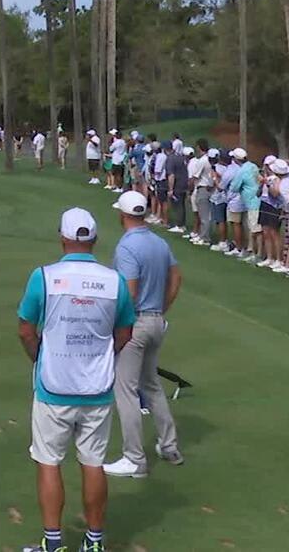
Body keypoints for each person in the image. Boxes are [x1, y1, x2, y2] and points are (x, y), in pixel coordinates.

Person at [18, 207, 134, 552]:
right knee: (93, 462)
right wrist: (102, 358)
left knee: (49, 461)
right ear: (94, 240)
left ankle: (53, 544)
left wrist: (39, 357)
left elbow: (26, 330)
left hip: (53, 387)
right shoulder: (114, 281)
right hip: (96, 389)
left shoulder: (44, 276)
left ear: (63, 238)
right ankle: (94, 543)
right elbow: (125, 332)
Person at [103, 192, 182, 480]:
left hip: (135, 324)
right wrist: (161, 309)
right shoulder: (158, 241)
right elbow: (177, 278)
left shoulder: (126, 247)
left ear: (122, 215)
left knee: (125, 390)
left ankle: (134, 459)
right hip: (156, 322)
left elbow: (130, 292)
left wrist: (118, 329)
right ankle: (169, 446)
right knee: (151, 385)